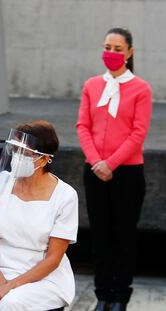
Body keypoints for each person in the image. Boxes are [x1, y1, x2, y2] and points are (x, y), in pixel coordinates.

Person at [0, 121, 79, 311]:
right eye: (15, 150)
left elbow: (53, 259)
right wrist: (1, 283)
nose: (17, 156)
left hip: (43, 276)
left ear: (43, 159)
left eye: (24, 152)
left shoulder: (65, 196)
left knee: (11, 304)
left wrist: (12, 286)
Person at [76, 28, 152, 311]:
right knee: (100, 235)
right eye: (108, 46)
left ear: (129, 52)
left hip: (127, 173)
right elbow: (83, 126)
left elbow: (138, 132)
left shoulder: (141, 88)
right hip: (94, 171)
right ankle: (102, 294)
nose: (112, 52)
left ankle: (120, 296)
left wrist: (111, 163)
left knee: (123, 236)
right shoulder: (92, 85)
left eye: (118, 48)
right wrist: (97, 161)